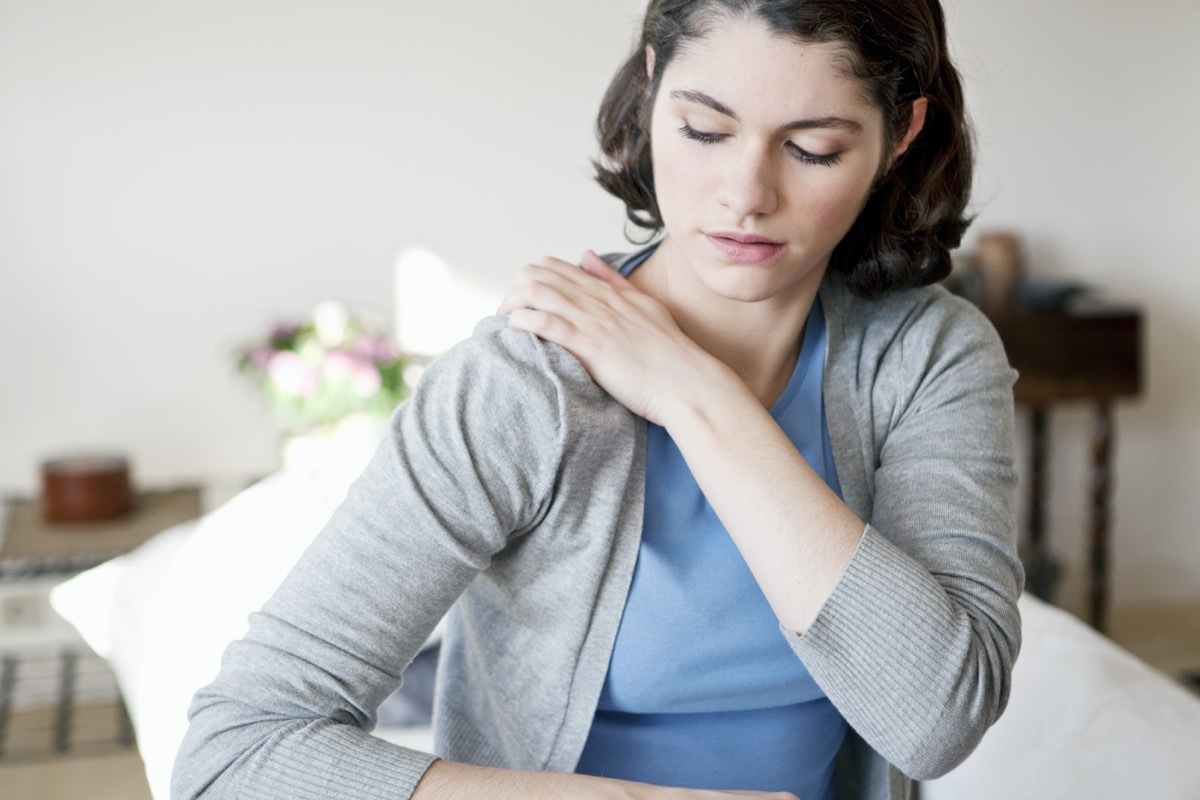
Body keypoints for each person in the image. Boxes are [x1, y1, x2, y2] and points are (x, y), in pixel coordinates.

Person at [172, 1, 1023, 798]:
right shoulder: (523, 385)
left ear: (900, 133)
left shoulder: (928, 358)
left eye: (812, 149)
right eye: (704, 129)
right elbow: (237, 753)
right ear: (652, 88)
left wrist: (691, 392)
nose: (745, 195)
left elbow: (937, 720)